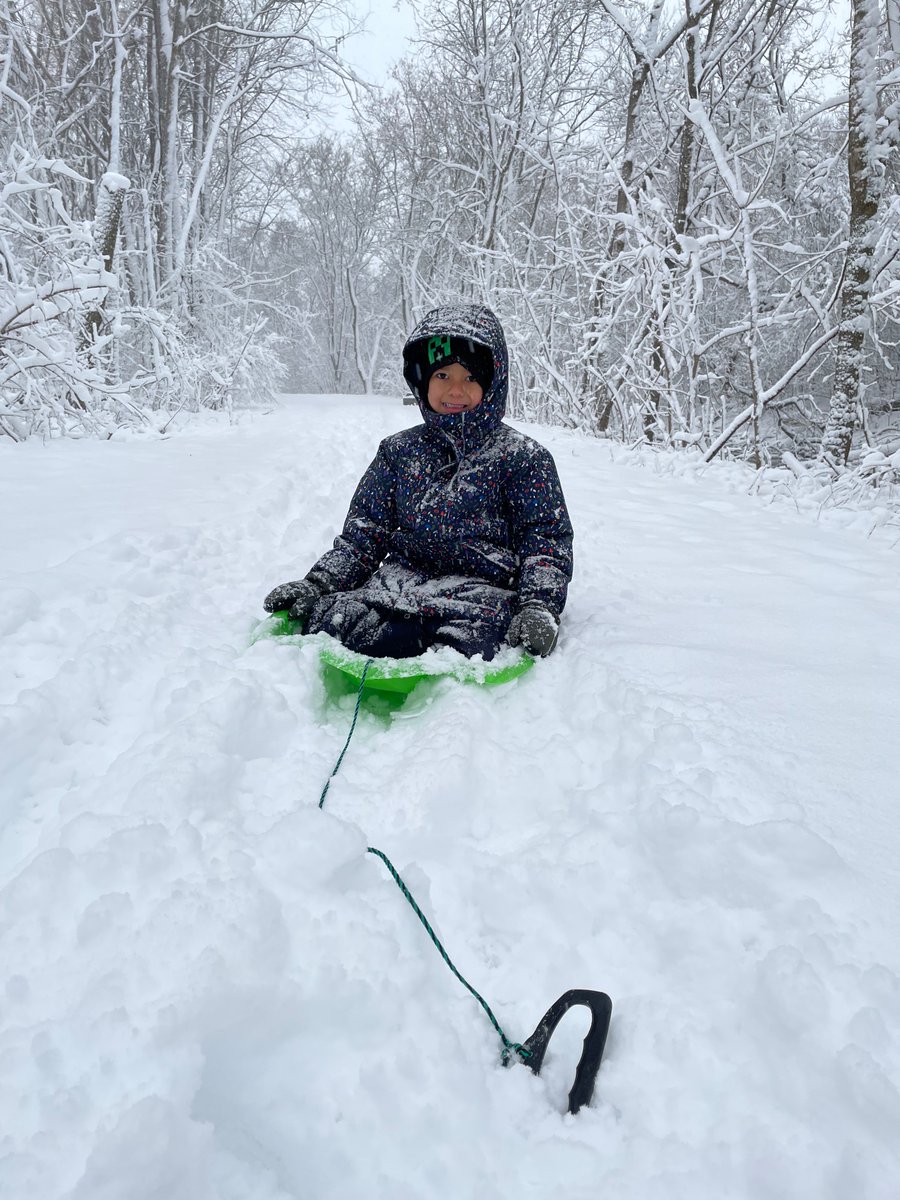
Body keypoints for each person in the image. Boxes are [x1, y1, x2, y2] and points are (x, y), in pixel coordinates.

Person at [263, 304, 573, 661]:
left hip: (482, 593)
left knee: (477, 641)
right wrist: (320, 583)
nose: (455, 390)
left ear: (492, 383)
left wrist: (538, 605)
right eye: (443, 376)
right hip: (397, 584)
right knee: (335, 620)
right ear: (422, 380)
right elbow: (365, 532)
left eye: (470, 378)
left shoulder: (523, 459)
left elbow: (545, 543)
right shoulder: (398, 451)